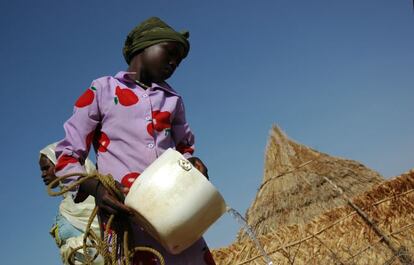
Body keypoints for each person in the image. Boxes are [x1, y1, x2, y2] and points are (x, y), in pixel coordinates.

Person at [55, 17, 216, 264]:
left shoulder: (172, 100)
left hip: (175, 212)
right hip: (125, 218)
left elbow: (183, 148)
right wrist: (98, 190)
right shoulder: (103, 90)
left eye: (180, 60)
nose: (174, 62)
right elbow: (67, 156)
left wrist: (194, 163)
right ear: (143, 46)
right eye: (170, 52)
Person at [39, 143, 103, 265]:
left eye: (46, 168)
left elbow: (107, 238)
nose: (43, 174)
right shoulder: (65, 206)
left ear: (59, 163)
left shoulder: (95, 196)